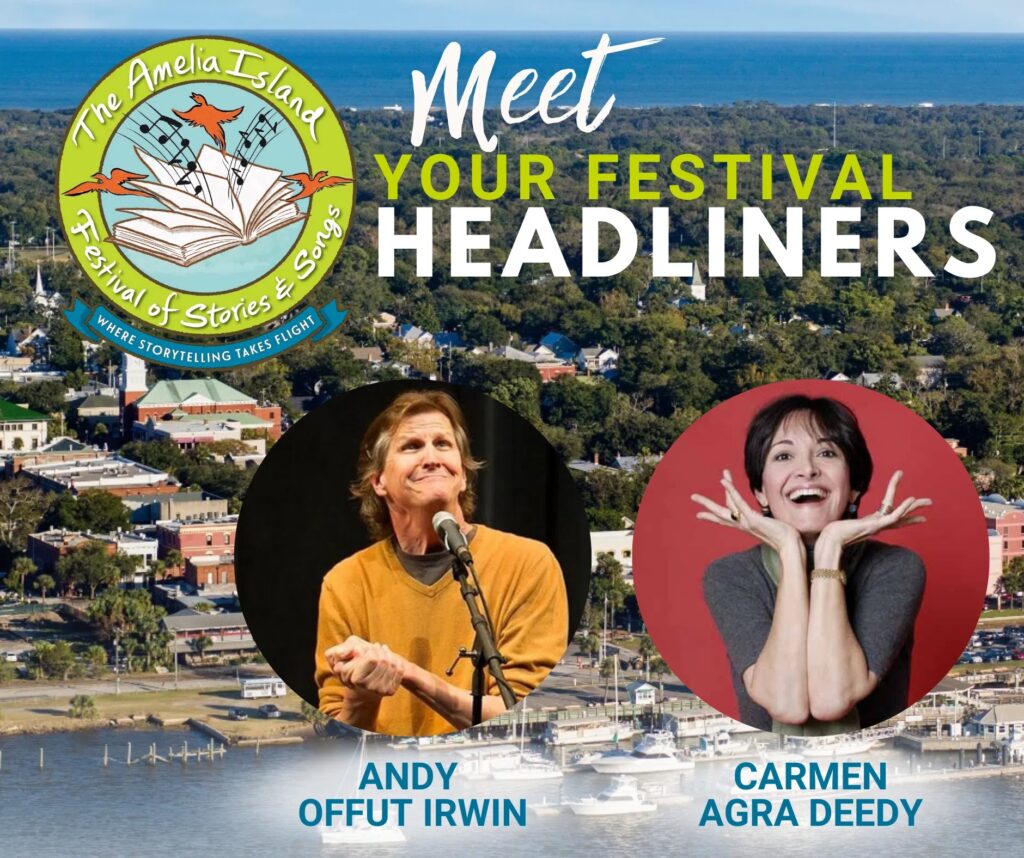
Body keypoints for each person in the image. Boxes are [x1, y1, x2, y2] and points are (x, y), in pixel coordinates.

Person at [314, 389, 568, 736]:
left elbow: (522, 711)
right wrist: (362, 695)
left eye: (443, 444)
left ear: (462, 474)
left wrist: (406, 673)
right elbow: (337, 733)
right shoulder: (345, 583)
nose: (431, 457)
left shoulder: (529, 563)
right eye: (412, 446)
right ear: (379, 482)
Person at [693, 395, 929, 734]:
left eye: (827, 453)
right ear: (760, 491)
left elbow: (832, 698)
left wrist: (831, 545)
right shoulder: (730, 576)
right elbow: (786, 703)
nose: (807, 469)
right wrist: (790, 550)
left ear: (853, 487)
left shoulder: (895, 567)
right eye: (784, 455)